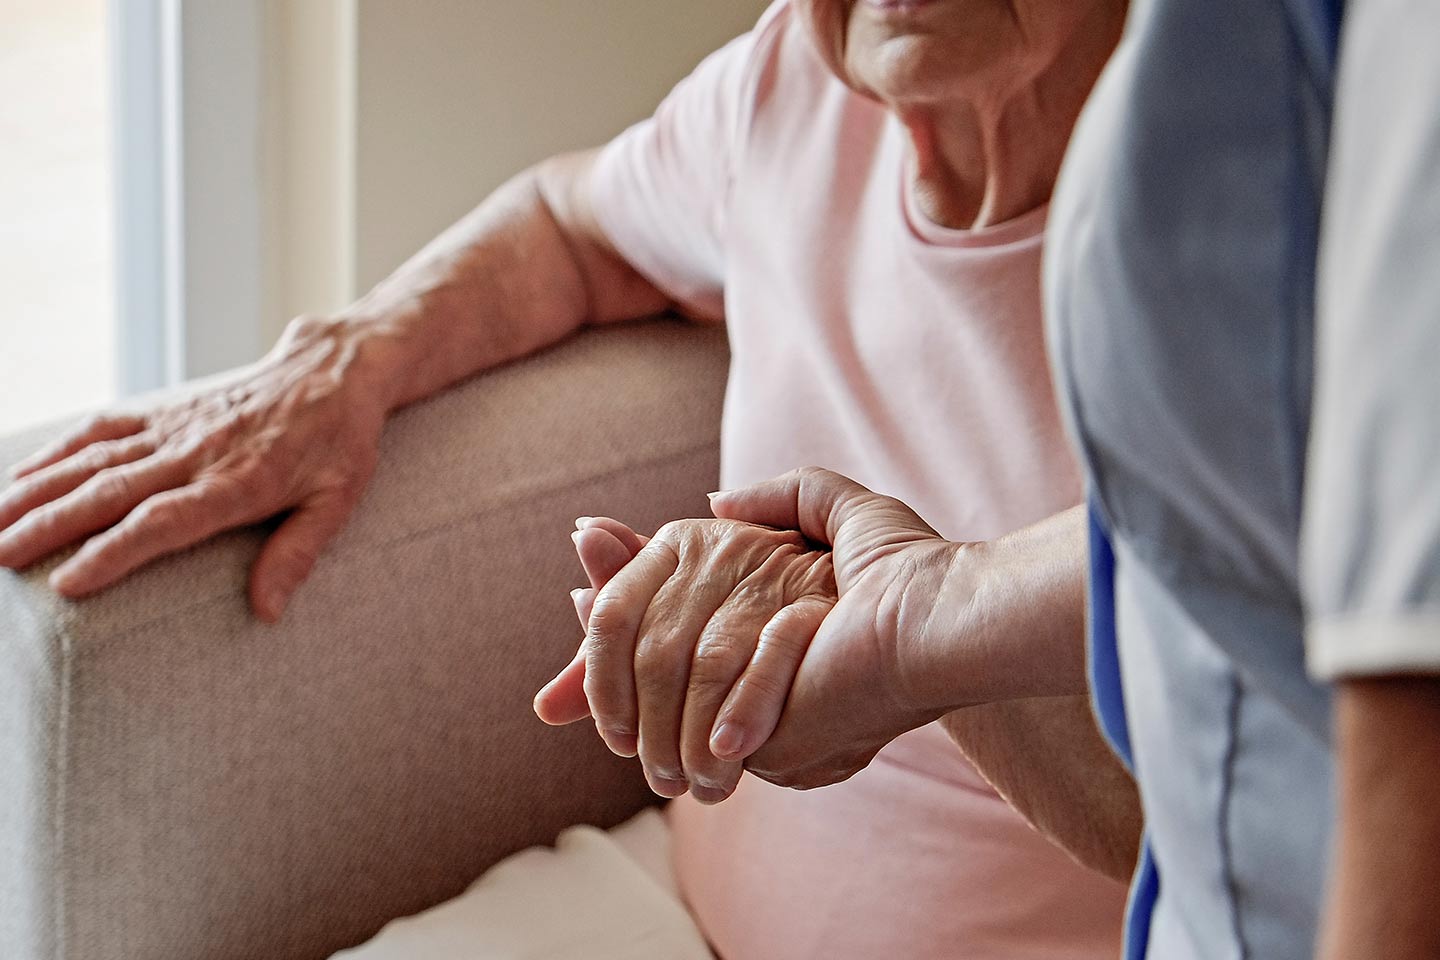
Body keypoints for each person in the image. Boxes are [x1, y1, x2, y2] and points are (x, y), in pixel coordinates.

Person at [0, 1, 1137, 955]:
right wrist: (353, 354)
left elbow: (1242, 811)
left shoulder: (1224, 220)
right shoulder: (787, 83)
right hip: (685, 910)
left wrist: (907, 638)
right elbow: (570, 222)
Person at [569, 1, 1440, 958]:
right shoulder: (783, 87)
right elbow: (571, 223)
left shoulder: (1247, 183)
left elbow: (1271, 811)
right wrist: (378, 344)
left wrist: (929, 630)